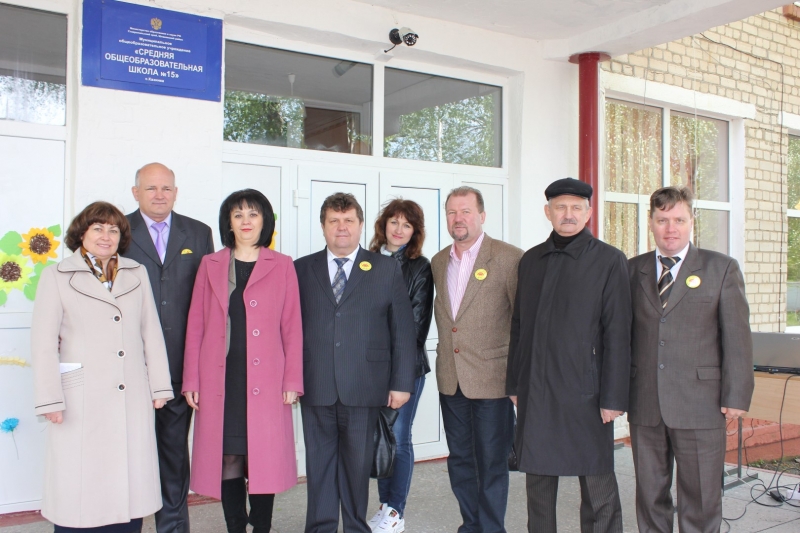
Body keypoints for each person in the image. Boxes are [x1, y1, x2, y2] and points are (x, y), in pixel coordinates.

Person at [31, 201, 173, 532]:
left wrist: (160, 387)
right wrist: (50, 399)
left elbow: (151, 332)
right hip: (80, 397)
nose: (106, 236)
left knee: (130, 481)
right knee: (80, 484)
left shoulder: (136, 273)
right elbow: (43, 343)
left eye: (113, 230)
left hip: (131, 392)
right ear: (81, 234)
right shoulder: (57, 275)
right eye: (97, 228)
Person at [506, 178, 631, 533]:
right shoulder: (531, 260)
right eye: (560, 207)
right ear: (548, 212)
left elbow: (619, 334)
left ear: (588, 213)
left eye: (576, 207)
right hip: (536, 389)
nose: (568, 214)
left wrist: (613, 398)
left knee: (597, 482)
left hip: (586, 393)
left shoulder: (609, 260)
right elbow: (518, 325)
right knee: (539, 484)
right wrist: (514, 383)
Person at [628, 186, 753, 533]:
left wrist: (736, 395)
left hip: (701, 403)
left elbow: (737, 338)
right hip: (645, 402)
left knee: (700, 498)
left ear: (691, 221)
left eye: (679, 220)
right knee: (650, 495)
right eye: (662, 220)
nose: (671, 228)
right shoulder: (632, 270)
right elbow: (621, 336)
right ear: (651, 222)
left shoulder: (721, 268)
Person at [294, 192, 416, 533]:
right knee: (319, 466)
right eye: (334, 221)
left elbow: (402, 330)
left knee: (357, 467)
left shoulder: (385, 268)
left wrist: (401, 383)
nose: (341, 227)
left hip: (365, 385)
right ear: (323, 226)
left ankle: (354, 527)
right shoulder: (300, 269)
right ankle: (320, 527)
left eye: (348, 220)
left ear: (361, 225)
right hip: (315, 382)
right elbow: (288, 328)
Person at [182, 189, 303, 533]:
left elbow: (292, 326)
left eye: (253, 214)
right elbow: (196, 325)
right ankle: (235, 527)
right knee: (228, 456)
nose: (246, 221)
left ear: (265, 221)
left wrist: (292, 380)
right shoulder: (210, 264)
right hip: (221, 379)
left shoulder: (282, 265)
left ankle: (261, 527)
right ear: (229, 223)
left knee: (264, 457)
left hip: (268, 380)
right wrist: (191, 379)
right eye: (238, 215)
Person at [125, 162, 214, 533]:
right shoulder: (117, 231)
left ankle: (173, 527)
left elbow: (208, 302)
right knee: (127, 454)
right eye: (151, 188)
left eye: (166, 188)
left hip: (179, 366)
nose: (159, 195)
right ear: (136, 193)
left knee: (174, 452)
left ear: (176, 193)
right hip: (128, 366)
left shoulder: (199, 232)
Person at [431, 186, 522, 533]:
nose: (459, 218)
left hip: (493, 379)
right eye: (452, 212)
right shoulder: (439, 261)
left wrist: (518, 380)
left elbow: (522, 322)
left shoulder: (509, 258)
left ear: (482, 216)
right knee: (460, 459)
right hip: (451, 378)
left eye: (466, 211)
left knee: (492, 462)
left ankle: (491, 528)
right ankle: (471, 525)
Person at [367, 199, 434, 533]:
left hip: (406, 368)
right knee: (380, 436)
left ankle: (396, 512)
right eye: (394, 222)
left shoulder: (420, 267)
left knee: (398, 436)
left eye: (407, 225)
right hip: (371, 368)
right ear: (383, 225)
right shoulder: (367, 261)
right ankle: (384, 506)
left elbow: (417, 328)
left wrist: (395, 371)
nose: (398, 229)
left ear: (415, 232)